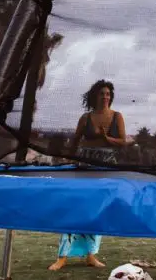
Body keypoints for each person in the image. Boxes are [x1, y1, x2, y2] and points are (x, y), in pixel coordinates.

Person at [50, 80, 132, 271]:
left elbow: (122, 142)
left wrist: (106, 138)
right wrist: (70, 160)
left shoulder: (117, 116)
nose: (105, 97)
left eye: (108, 94)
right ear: (94, 96)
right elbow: (74, 141)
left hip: (106, 166)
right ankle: (62, 256)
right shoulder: (85, 118)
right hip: (85, 164)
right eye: (102, 93)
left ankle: (90, 255)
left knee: (97, 210)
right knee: (76, 206)